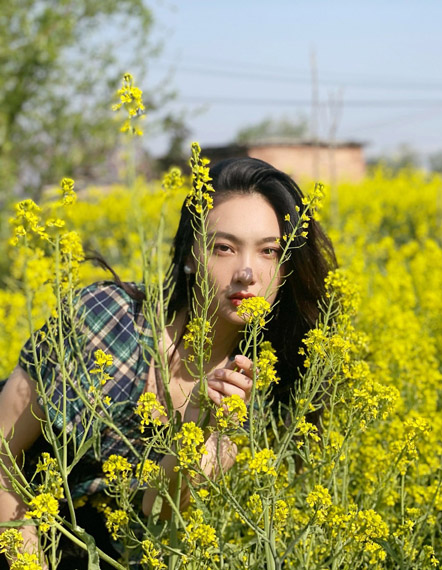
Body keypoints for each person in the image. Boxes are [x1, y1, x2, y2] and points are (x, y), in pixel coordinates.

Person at [0, 157, 337, 568]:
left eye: (269, 251)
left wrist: (203, 429)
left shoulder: (260, 393)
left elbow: (159, 513)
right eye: (224, 248)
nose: (247, 272)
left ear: (285, 269)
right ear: (190, 254)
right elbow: (2, 455)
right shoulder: (104, 320)